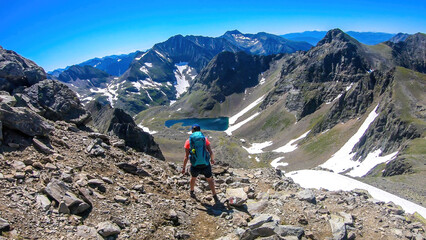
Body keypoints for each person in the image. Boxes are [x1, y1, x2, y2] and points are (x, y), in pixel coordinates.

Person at [181, 124, 219, 203]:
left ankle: (192, 191)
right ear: (200, 130)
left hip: (195, 164)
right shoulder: (204, 139)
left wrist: (184, 168)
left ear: (192, 130)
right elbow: (210, 151)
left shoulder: (188, 141)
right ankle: (214, 194)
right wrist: (212, 159)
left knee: (193, 178)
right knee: (209, 179)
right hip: (205, 163)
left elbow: (186, 156)